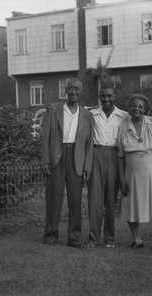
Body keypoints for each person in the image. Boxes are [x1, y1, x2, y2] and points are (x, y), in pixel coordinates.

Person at [87, 82, 152, 248]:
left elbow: (141, 118)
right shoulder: (91, 114)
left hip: (115, 155)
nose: (106, 99)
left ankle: (109, 239)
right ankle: (93, 239)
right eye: (103, 95)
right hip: (96, 154)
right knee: (95, 200)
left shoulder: (124, 115)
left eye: (109, 96)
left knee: (111, 201)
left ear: (114, 97)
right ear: (99, 97)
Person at [41, 78, 94, 247]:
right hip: (57, 156)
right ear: (66, 90)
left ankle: (74, 237)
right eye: (70, 88)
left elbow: (89, 143)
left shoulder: (87, 114)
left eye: (76, 89)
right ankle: (50, 234)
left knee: (75, 200)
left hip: (77, 158)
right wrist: (45, 160)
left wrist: (87, 166)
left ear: (81, 91)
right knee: (53, 198)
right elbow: (45, 137)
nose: (73, 91)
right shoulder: (54, 109)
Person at [117, 94, 152, 251]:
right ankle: (137, 240)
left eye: (140, 106)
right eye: (134, 105)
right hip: (132, 171)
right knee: (130, 204)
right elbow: (120, 156)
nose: (137, 109)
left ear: (145, 109)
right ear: (129, 108)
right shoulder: (122, 127)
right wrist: (121, 178)